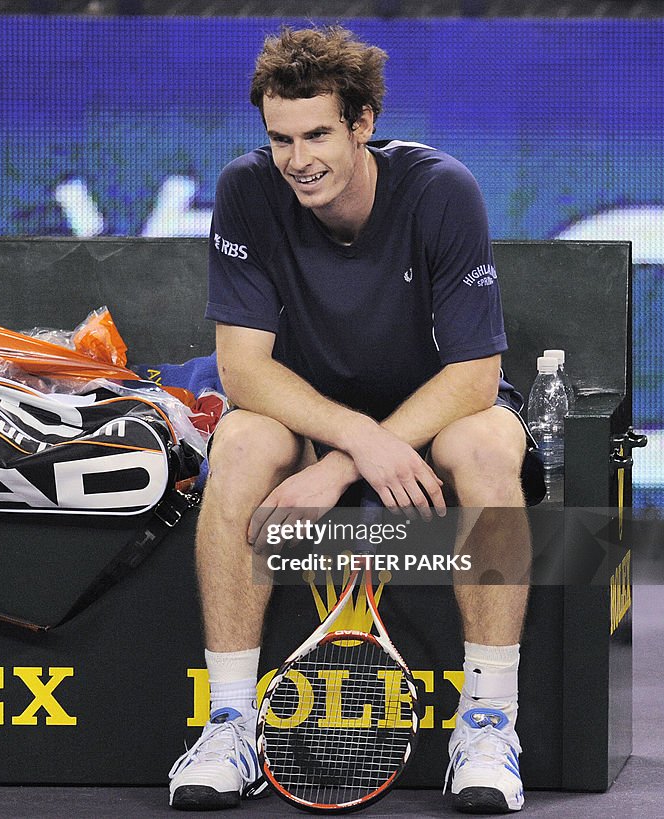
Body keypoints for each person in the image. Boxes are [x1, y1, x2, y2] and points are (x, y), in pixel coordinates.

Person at [167, 25, 541, 814]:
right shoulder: (247, 190)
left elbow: (475, 375)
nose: (297, 158)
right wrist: (350, 440)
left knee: (483, 444)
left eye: (317, 134)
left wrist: (349, 460)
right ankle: (231, 720)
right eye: (280, 138)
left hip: (432, 412)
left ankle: (487, 723)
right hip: (310, 412)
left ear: (363, 122)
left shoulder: (443, 190)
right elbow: (242, 370)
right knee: (238, 442)